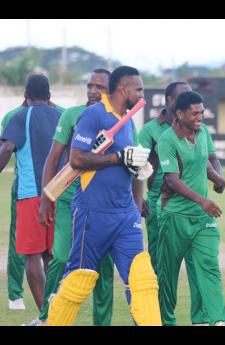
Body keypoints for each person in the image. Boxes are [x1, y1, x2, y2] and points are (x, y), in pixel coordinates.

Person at [47, 66, 161, 326]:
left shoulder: (128, 120)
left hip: (124, 215)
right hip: (92, 212)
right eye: (139, 89)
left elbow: (124, 163)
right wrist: (119, 157)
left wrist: (135, 167)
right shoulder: (93, 115)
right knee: (79, 279)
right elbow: (76, 159)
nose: (143, 94)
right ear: (123, 89)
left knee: (142, 277)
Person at [24, 69, 115, 326]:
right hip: (69, 199)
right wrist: (46, 199)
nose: (92, 90)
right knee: (61, 258)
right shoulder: (72, 114)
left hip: (104, 204)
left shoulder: (118, 119)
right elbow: (53, 159)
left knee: (103, 268)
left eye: (99, 86)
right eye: (89, 85)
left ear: (113, 90)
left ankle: (102, 323)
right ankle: (47, 318)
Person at [138, 82, 225, 325]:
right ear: (179, 112)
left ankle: (218, 320)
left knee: (208, 266)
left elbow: (207, 161)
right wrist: (202, 200)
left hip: (201, 216)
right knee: (166, 276)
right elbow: (172, 180)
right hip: (172, 214)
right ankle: (165, 321)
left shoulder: (203, 132)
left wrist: (218, 179)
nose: (201, 117)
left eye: (202, 112)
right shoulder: (165, 139)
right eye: (195, 113)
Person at [1, 74, 65, 311]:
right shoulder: (61, 116)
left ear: (26, 96)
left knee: (32, 256)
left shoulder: (21, 116)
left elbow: (7, 147)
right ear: (49, 96)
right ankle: (55, 309)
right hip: (58, 193)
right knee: (50, 256)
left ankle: (45, 314)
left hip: (31, 195)